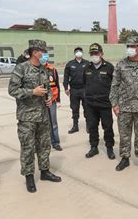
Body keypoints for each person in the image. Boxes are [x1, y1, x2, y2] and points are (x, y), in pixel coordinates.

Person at [8, 39, 62, 193]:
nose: (44, 54)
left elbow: (48, 88)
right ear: (34, 52)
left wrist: (50, 97)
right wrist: (32, 92)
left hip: (43, 116)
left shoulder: (44, 70)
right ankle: (29, 177)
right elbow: (12, 90)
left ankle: (45, 171)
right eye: (42, 51)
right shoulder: (21, 68)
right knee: (28, 148)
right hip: (27, 117)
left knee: (44, 145)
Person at [110, 36, 138, 172]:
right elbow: (114, 85)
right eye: (128, 46)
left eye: (133, 46)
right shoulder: (121, 64)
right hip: (124, 107)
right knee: (124, 135)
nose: (130, 49)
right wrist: (114, 104)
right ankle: (125, 159)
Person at [83, 43, 115, 159]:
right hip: (90, 104)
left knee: (107, 127)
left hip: (105, 104)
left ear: (101, 54)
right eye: (92, 53)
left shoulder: (109, 67)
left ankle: (109, 148)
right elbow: (84, 83)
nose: (94, 55)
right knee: (92, 126)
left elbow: (115, 85)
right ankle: (94, 147)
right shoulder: (86, 67)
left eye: (96, 53)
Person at [63, 47, 88, 134]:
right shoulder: (70, 64)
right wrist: (66, 88)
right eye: (77, 52)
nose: (79, 53)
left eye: (80, 51)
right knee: (74, 108)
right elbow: (66, 77)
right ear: (74, 53)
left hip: (85, 89)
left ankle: (88, 125)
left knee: (87, 108)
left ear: (82, 53)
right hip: (74, 90)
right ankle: (75, 126)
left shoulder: (87, 63)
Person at [44, 60, 63, 151]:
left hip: (52, 100)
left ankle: (55, 142)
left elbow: (57, 85)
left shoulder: (52, 70)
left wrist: (58, 100)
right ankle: (41, 144)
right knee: (41, 124)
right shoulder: (35, 69)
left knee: (53, 123)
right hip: (39, 101)